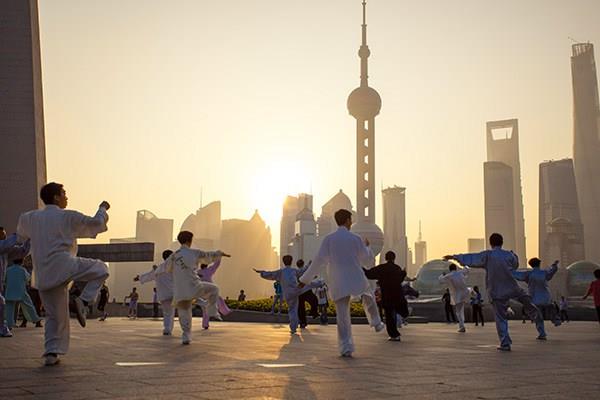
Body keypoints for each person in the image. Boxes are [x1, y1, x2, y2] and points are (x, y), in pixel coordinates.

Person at [16, 182, 110, 365]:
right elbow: (96, 223)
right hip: (64, 264)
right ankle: (83, 301)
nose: (67, 197)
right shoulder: (67, 216)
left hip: (43, 272)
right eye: (64, 193)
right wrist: (102, 208)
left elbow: (20, 236)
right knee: (101, 269)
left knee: (53, 315)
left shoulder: (29, 217)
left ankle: (51, 353)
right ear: (56, 197)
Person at [299, 209, 385, 357]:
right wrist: (368, 247)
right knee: (368, 295)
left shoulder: (329, 239)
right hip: (355, 276)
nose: (351, 222)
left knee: (342, 315)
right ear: (347, 220)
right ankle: (376, 322)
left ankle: (346, 347)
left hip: (338, 280)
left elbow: (318, 261)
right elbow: (367, 261)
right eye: (350, 220)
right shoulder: (355, 238)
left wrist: (304, 280)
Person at [444, 233, 543, 351]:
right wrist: (513, 256)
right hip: (512, 287)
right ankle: (541, 327)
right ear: (502, 242)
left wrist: (454, 257)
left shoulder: (487, 256)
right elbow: (515, 265)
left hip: (496, 291)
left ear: (491, 243)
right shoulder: (508, 255)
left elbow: (472, 258)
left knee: (500, 318)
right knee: (529, 304)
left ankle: (505, 343)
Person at [166, 230, 229, 345]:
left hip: (181, 290)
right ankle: (212, 311)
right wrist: (220, 253)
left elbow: (167, 269)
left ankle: (186, 336)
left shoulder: (173, 256)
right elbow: (208, 256)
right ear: (189, 241)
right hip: (195, 286)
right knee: (214, 289)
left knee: (184, 312)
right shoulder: (194, 253)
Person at [254, 255, 324, 334]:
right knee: (306, 284)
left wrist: (262, 273)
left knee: (292, 310)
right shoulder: (293, 270)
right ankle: (320, 283)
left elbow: (271, 274)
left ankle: (293, 327)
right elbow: (302, 271)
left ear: (284, 262)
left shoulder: (280, 272)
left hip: (288, 294)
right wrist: (308, 265)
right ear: (291, 262)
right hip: (296, 290)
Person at [363, 251, 408, 341]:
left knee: (389, 316)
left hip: (387, 295)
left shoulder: (382, 268)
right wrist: (404, 273)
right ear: (394, 258)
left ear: (385, 258)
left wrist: (360, 267)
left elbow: (369, 274)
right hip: (397, 294)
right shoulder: (397, 268)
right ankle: (403, 315)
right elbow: (400, 278)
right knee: (400, 310)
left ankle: (394, 335)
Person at [512, 258, 561, 340]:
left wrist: (508, 268)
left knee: (538, 316)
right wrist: (554, 265)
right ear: (539, 264)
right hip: (545, 296)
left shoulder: (528, 274)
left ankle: (542, 333)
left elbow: (516, 275)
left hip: (534, 297)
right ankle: (555, 319)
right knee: (551, 307)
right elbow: (551, 272)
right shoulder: (544, 273)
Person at [135, 250, 175, 335]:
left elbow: (148, 276)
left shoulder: (158, 268)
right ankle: (170, 329)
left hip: (163, 294)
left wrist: (139, 278)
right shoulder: (174, 268)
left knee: (167, 312)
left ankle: (167, 329)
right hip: (173, 293)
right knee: (172, 312)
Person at [0, 228, 30, 337]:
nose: (4, 236)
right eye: (2, 234)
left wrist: (29, 239)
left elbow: (22, 252)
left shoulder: (5, 251)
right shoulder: (3, 246)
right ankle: (2, 328)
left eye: (5, 235)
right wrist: (21, 233)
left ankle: (2, 328)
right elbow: (6, 244)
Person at [4, 258, 43, 328]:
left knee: (9, 308)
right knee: (29, 306)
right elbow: (28, 279)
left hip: (9, 291)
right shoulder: (23, 270)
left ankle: (9, 324)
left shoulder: (8, 270)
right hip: (21, 291)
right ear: (21, 262)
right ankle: (35, 319)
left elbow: (4, 280)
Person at [197, 256, 231, 329]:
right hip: (210, 291)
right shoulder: (209, 270)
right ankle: (224, 311)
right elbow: (216, 265)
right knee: (218, 299)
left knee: (205, 308)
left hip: (200, 292)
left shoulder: (197, 272)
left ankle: (205, 324)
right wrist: (219, 257)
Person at [439, 263, 470, 333]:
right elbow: (467, 270)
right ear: (456, 268)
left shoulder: (449, 276)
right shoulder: (460, 272)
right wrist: (463, 264)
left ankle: (462, 326)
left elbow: (440, 280)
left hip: (457, 295)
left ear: (450, 269)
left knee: (458, 311)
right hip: (465, 293)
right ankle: (462, 325)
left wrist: (442, 275)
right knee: (461, 310)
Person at [297, 260, 319, 328]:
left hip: (299, 292)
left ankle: (302, 322)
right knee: (314, 300)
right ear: (302, 264)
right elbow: (305, 270)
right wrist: (309, 264)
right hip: (306, 290)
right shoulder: (302, 270)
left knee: (301, 307)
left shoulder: (297, 272)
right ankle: (314, 312)